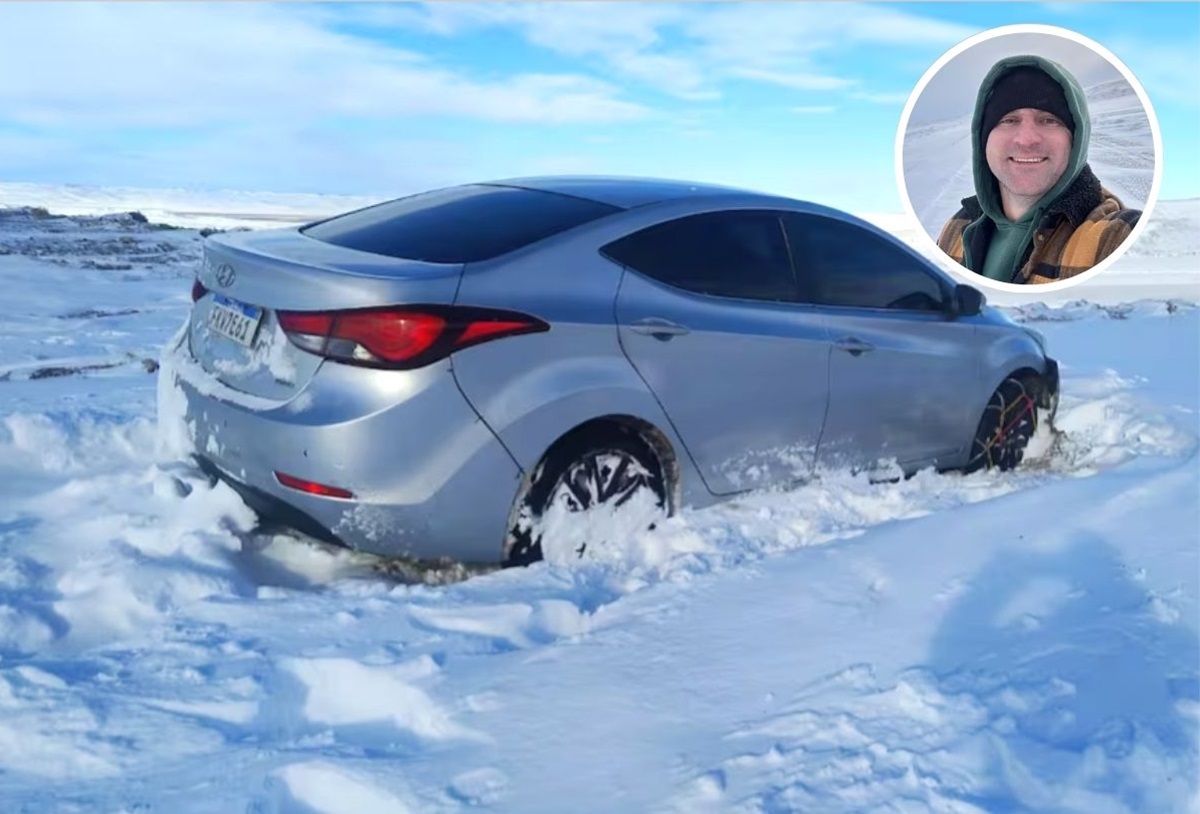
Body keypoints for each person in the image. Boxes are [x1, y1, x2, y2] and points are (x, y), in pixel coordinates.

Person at [936, 54, 1141, 285]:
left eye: (1049, 120)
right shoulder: (956, 228)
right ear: (984, 139)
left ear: (1077, 140)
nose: (1026, 140)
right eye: (1009, 120)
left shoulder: (1115, 237)